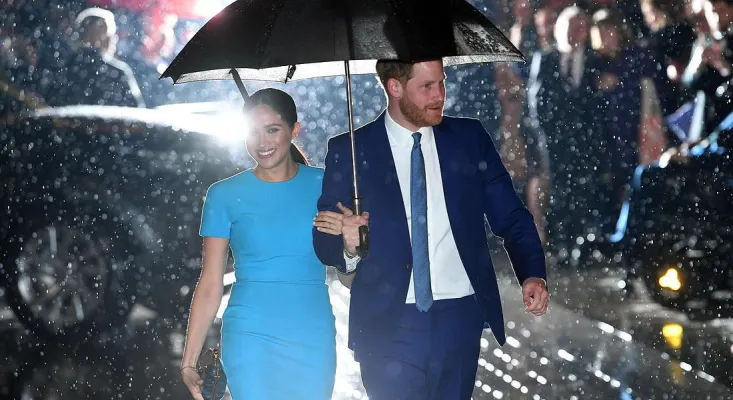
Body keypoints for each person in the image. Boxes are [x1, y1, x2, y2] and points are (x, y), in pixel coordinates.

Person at [313, 59, 550, 399]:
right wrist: (348, 245)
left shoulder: (469, 139)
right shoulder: (350, 150)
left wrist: (532, 272)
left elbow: (511, 215)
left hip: (459, 319)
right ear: (395, 87)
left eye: (442, 82)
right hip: (387, 322)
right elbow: (324, 239)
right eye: (427, 86)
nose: (440, 95)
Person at [179, 88, 344, 400]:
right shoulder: (224, 194)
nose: (262, 142)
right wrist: (189, 361)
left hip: (312, 334)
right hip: (249, 336)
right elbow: (211, 281)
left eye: (272, 130)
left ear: (295, 130)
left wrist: (350, 245)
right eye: (253, 131)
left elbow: (349, 276)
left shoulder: (327, 186)